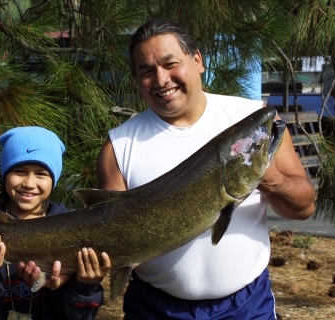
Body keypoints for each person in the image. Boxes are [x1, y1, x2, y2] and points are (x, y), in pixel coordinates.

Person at [96, 19, 316, 319]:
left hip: (246, 307)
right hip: (155, 308)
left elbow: (303, 207)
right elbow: (109, 239)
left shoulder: (253, 122)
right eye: (147, 71)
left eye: (170, 63)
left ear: (197, 60)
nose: (161, 79)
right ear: (136, 78)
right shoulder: (118, 147)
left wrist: (267, 177)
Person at [0, 126, 111, 320]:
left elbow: (79, 316)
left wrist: (86, 286)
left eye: (41, 173)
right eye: (19, 171)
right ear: (4, 174)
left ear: (54, 180)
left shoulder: (78, 231)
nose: (29, 183)